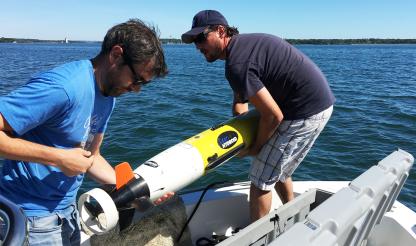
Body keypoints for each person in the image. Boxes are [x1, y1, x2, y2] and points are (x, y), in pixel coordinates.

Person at [0, 19, 169, 245]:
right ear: (116, 55)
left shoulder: (108, 96)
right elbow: (65, 159)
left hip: (67, 213)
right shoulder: (64, 88)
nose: (136, 89)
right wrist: (58, 158)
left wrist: (136, 194)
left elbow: (92, 157)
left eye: (143, 84)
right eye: (137, 79)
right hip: (28, 217)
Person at [182, 10, 335, 222]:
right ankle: (294, 215)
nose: (198, 46)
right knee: (277, 167)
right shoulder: (243, 48)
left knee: (260, 180)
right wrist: (242, 133)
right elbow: (240, 104)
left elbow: (273, 116)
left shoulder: (237, 64)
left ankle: (257, 238)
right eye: (193, 41)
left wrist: (256, 147)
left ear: (220, 31)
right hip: (317, 104)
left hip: (303, 111)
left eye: (201, 38)